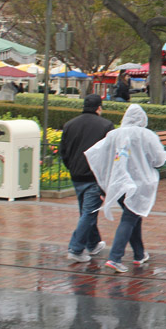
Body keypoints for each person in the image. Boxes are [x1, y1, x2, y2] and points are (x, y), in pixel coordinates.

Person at [84, 104, 166, 273]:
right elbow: (159, 159)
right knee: (130, 218)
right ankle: (115, 258)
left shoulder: (114, 134)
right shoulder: (147, 135)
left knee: (133, 217)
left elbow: (99, 155)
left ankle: (139, 254)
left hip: (120, 182)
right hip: (142, 183)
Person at [61, 94, 115, 263]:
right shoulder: (106, 126)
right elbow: (110, 153)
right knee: (89, 213)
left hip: (76, 174)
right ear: (99, 107)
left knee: (86, 212)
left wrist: (72, 167)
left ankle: (93, 244)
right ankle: (76, 248)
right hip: (94, 176)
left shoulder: (70, 125)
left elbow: (64, 151)